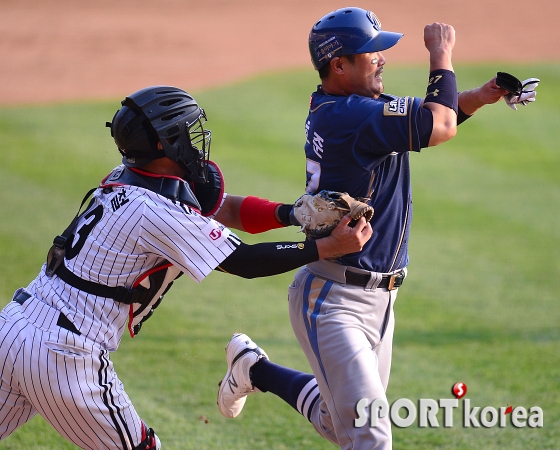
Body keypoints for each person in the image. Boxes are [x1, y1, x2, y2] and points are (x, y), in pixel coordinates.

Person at [217, 7, 538, 450]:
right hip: (333, 300)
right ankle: (252, 369)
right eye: (372, 52)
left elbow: (431, 120)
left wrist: (478, 97)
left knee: (337, 422)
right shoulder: (348, 117)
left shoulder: (350, 110)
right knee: (371, 435)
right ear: (340, 65)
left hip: (378, 301)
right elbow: (436, 124)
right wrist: (441, 53)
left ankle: (253, 369)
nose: (382, 58)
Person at [0, 85, 372, 449]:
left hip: (13, 328)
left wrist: (291, 213)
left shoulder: (132, 178)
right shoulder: (157, 212)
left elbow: (222, 208)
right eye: (188, 131)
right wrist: (324, 247)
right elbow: (243, 261)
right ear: (166, 142)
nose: (197, 140)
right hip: (63, 353)